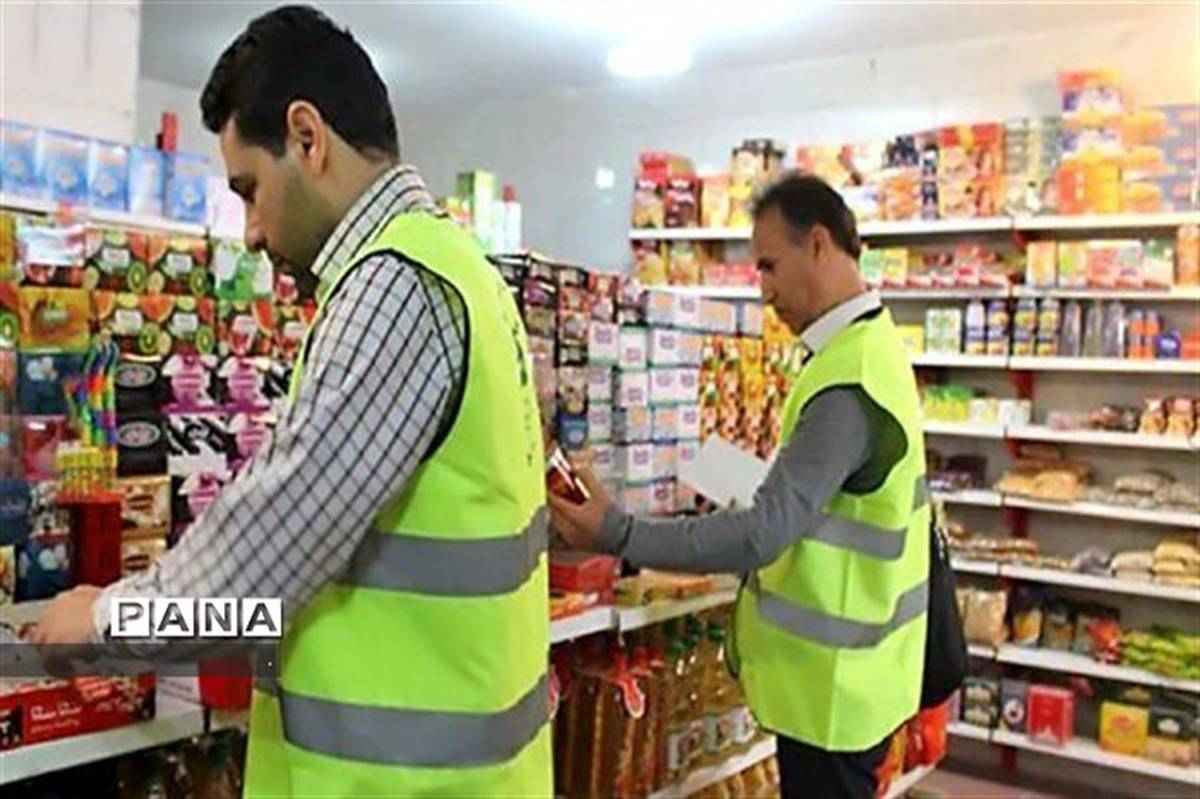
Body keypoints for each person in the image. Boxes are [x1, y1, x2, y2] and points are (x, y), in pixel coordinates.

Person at [34, 6, 552, 796]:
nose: (248, 231)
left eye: (250, 189)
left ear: (307, 138)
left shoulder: (395, 288)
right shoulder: (462, 270)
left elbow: (256, 570)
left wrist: (106, 619)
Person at [550, 173, 930, 799]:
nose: (764, 289)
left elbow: (762, 533)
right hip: (853, 679)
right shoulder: (867, 350)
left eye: (769, 265)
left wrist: (616, 531)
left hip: (832, 693)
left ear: (818, 245)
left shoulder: (849, 380)